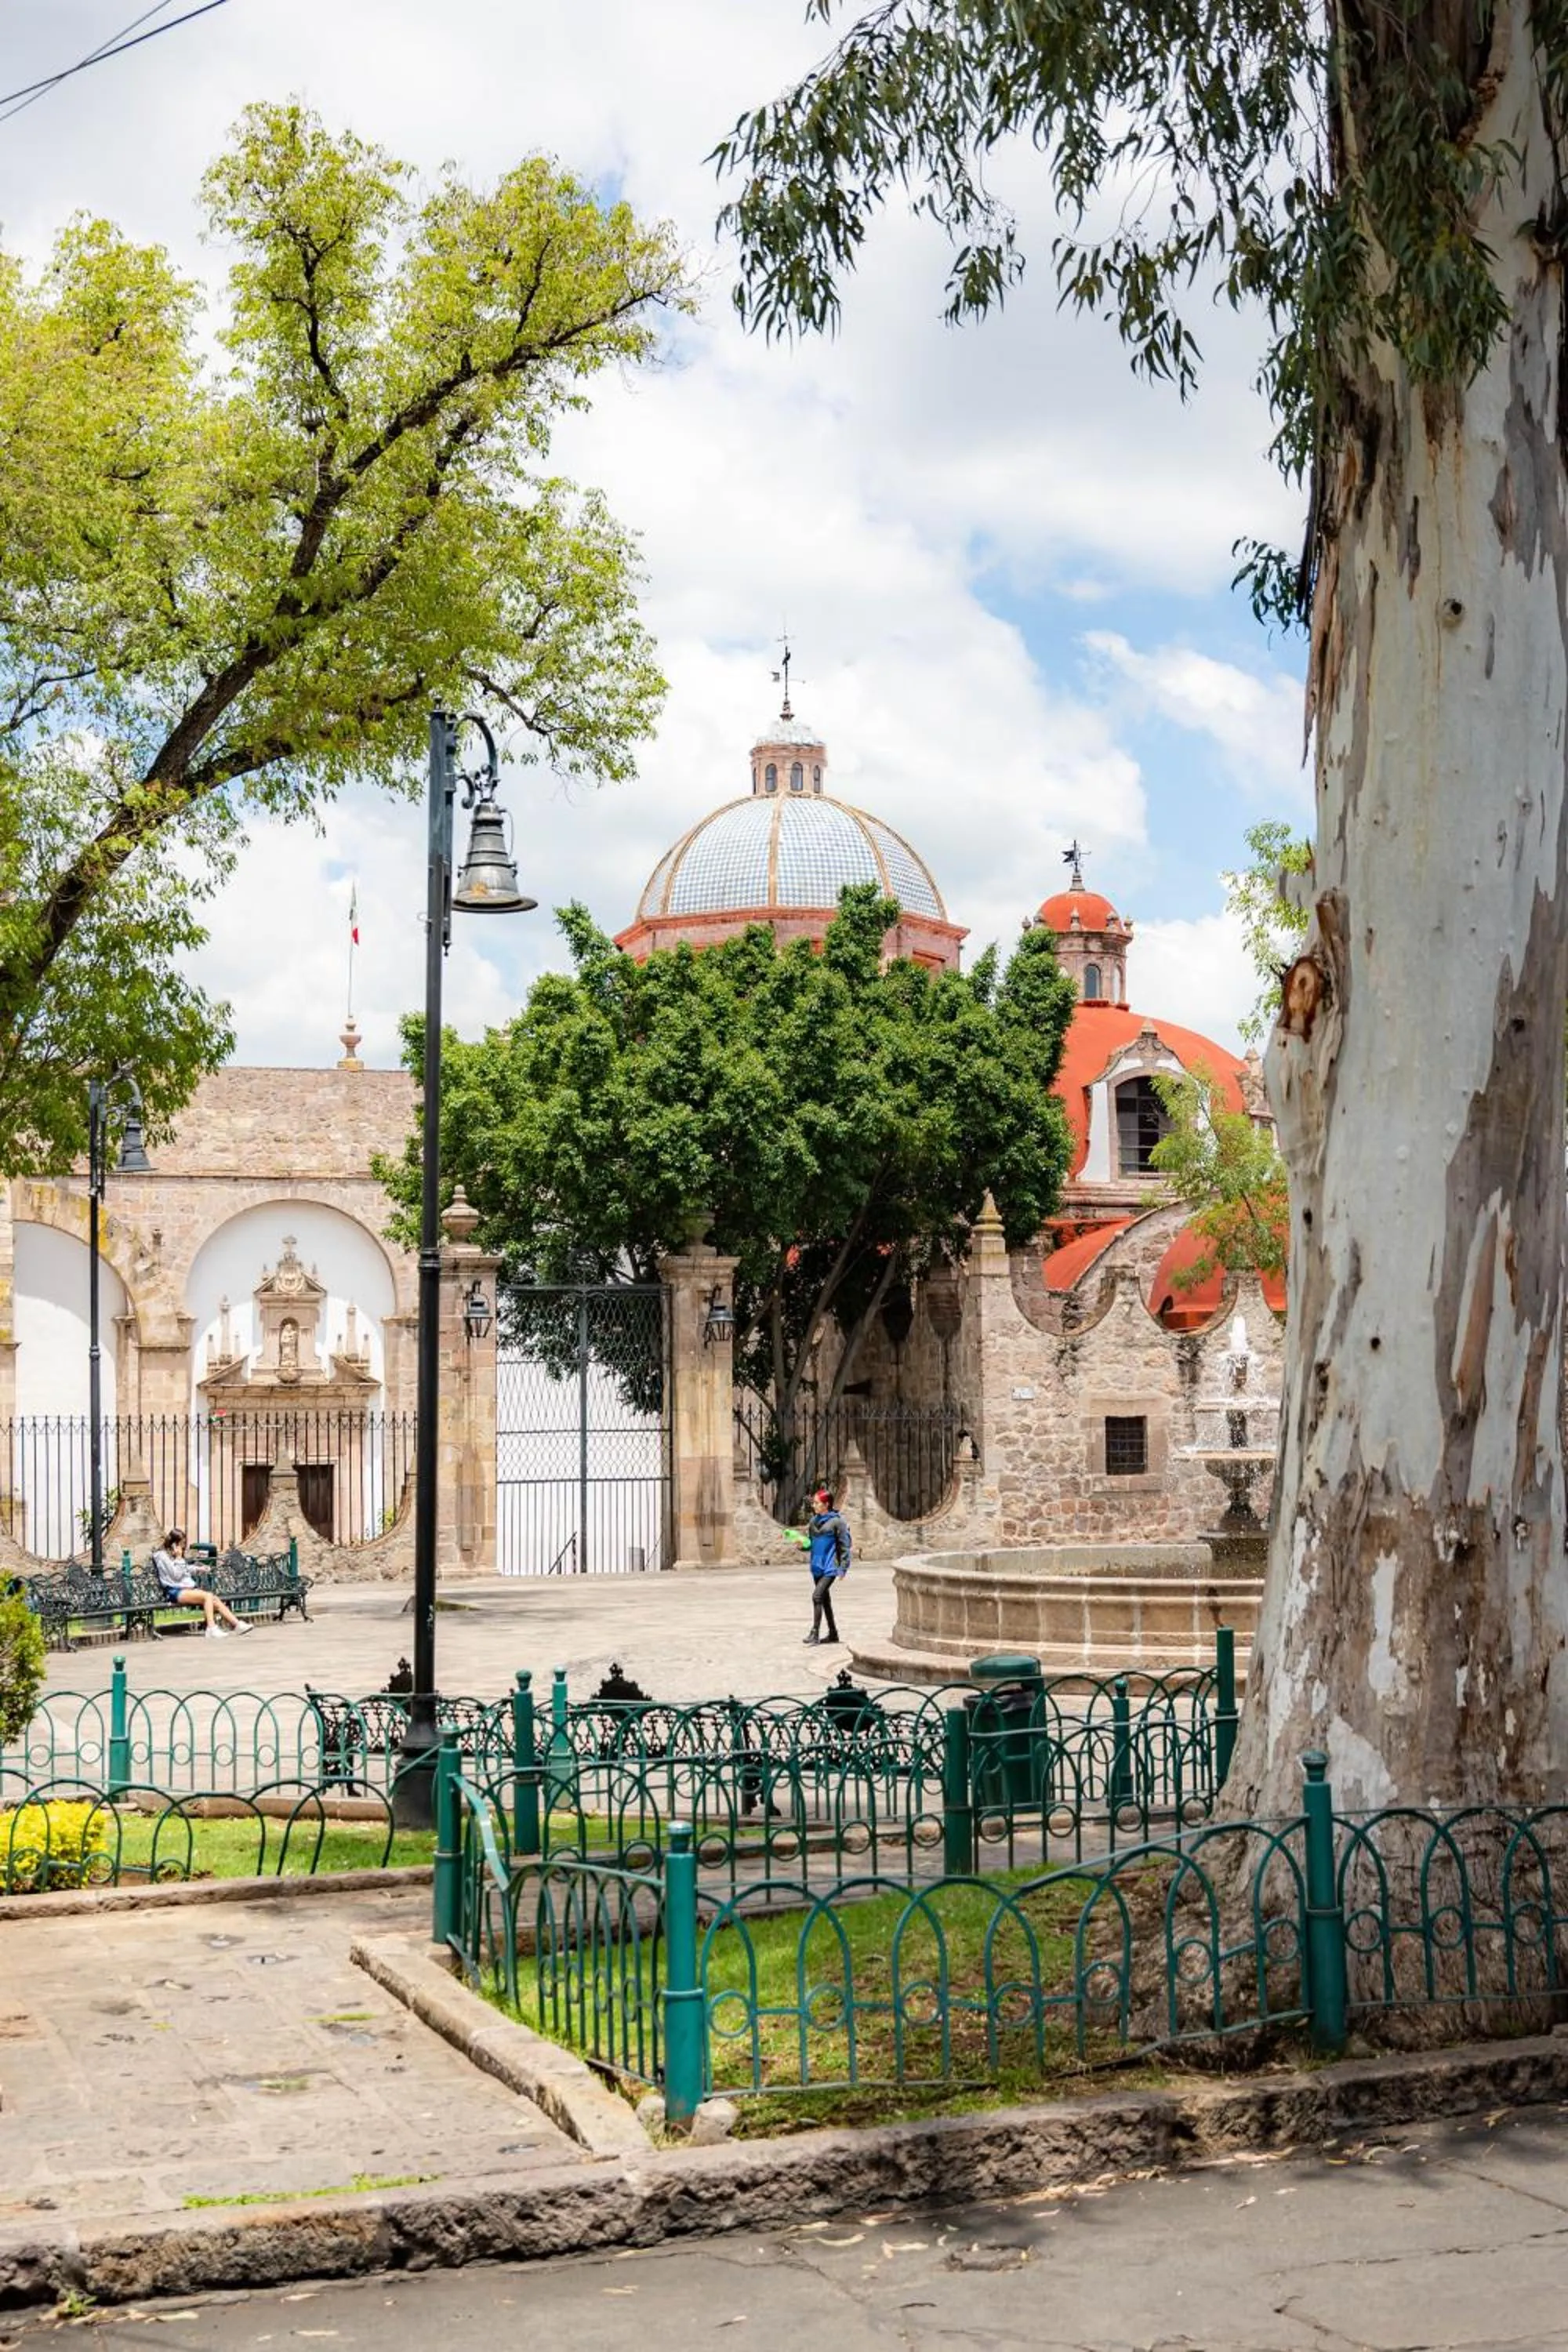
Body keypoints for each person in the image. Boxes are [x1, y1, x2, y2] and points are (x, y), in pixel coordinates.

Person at [151, 1527, 249, 1639]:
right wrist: (178, 1557)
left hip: (185, 1589)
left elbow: (184, 1569)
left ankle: (237, 1625)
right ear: (174, 1543)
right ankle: (211, 1628)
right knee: (207, 1596)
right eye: (182, 1543)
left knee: (214, 1599)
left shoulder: (173, 1554)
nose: (183, 1547)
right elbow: (176, 1575)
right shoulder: (162, 1556)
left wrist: (198, 1569)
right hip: (174, 1591)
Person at [802, 1484, 851, 1646]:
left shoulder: (837, 1522)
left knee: (816, 1596)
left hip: (830, 1567)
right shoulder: (813, 1522)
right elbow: (811, 1544)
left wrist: (843, 1567)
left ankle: (814, 1633)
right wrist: (802, 1545)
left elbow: (845, 1546)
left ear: (826, 1504)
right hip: (816, 1567)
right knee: (824, 1601)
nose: (814, 1505)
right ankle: (833, 1634)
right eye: (814, 1503)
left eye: (817, 1503)